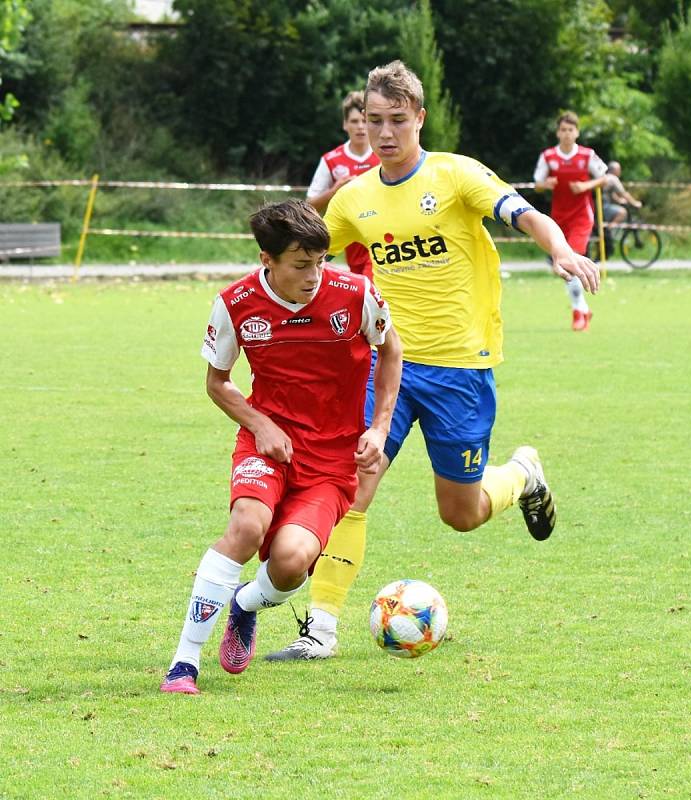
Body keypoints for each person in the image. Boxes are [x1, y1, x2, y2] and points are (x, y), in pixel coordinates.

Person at [265, 60, 600, 663]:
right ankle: (321, 628)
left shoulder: (455, 175)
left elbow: (525, 213)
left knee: (461, 514)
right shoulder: (355, 198)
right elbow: (301, 254)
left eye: (398, 119)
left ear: (421, 117)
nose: (385, 132)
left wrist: (562, 250)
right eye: (375, 121)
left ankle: (523, 473)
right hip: (386, 365)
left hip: (461, 370)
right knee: (350, 486)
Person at [159, 199, 402, 694]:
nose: (314, 275)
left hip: (332, 459)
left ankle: (245, 605)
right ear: (267, 260)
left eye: (320, 261)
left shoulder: (356, 294)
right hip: (266, 445)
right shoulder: (235, 303)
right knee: (247, 527)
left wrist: (378, 429)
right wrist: (260, 424)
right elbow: (218, 381)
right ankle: (184, 663)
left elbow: (391, 350)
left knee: (291, 562)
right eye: (300, 264)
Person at [534, 111, 608, 331]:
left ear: (577, 132)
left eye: (571, 130)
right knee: (562, 264)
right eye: (563, 130)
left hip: (581, 216)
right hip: (558, 218)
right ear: (558, 132)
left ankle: (578, 311)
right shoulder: (548, 156)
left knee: (570, 260)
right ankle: (584, 308)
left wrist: (585, 186)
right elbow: (537, 184)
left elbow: (605, 178)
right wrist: (546, 184)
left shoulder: (587, 155)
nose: (567, 134)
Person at [307, 90, 381, 279]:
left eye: (365, 121)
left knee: (373, 291)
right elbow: (309, 206)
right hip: (352, 243)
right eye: (355, 121)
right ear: (345, 124)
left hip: (381, 237)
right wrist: (334, 191)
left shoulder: (385, 154)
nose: (361, 127)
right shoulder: (331, 160)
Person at [602, 160, 642, 228]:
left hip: (599, 205)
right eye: (619, 169)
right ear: (615, 170)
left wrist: (619, 200)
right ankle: (608, 231)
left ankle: (607, 230)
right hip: (604, 206)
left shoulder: (605, 176)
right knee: (622, 213)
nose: (620, 172)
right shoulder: (613, 178)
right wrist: (635, 203)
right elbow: (623, 193)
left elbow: (610, 194)